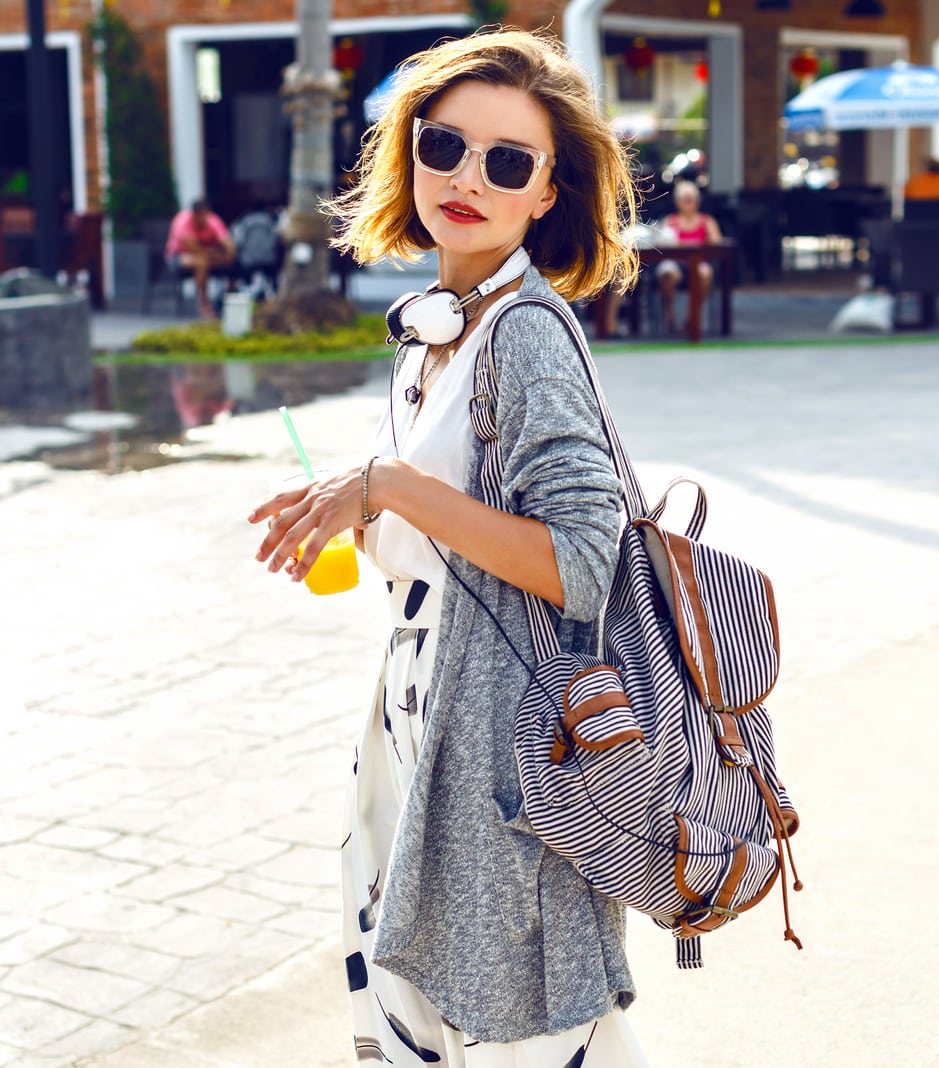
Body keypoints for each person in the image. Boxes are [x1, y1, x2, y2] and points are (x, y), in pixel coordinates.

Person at [247, 28, 647, 1065]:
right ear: (408, 152)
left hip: (500, 728)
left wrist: (393, 486)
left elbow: (580, 561)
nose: (467, 177)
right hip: (418, 707)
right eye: (444, 146)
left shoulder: (524, 330)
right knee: (428, 1001)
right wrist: (358, 511)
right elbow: (446, 517)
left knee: (515, 1020)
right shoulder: (438, 328)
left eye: (506, 161)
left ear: (546, 192)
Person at [651, 179, 723, 334]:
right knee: (667, 273)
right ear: (678, 202)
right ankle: (669, 318)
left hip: (699, 263)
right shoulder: (670, 221)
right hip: (674, 262)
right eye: (685, 200)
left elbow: (716, 243)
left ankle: (692, 318)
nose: (689, 203)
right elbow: (660, 244)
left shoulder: (707, 221)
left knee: (705, 273)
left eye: (692, 199)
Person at [164, 198, 236, 318]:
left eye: (207, 216)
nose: (205, 219)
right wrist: (216, 254)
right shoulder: (183, 221)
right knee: (201, 263)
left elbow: (229, 245)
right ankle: (204, 304)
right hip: (176, 257)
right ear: (194, 215)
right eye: (202, 216)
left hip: (207, 256)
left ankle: (230, 302)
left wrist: (226, 252)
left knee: (231, 260)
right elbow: (194, 249)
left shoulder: (212, 219)